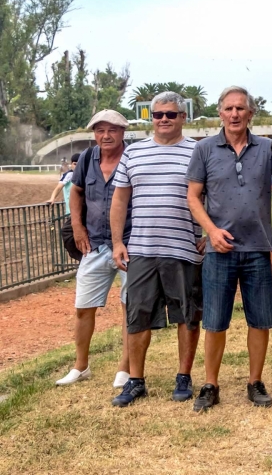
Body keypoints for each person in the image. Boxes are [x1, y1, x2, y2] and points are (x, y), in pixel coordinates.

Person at [186, 86, 272, 412]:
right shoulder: (205, 150)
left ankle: (255, 382)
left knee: (260, 320)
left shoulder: (268, 148)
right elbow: (193, 197)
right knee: (214, 321)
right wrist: (211, 232)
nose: (235, 114)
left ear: (250, 113)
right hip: (219, 251)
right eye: (229, 108)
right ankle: (211, 384)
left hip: (257, 248)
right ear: (220, 113)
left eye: (241, 108)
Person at [109, 91, 206, 407]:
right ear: (151, 118)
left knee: (187, 314)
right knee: (137, 315)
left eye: (171, 114)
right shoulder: (133, 154)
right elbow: (120, 199)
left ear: (183, 117)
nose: (164, 119)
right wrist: (117, 242)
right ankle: (136, 380)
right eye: (158, 115)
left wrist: (210, 232)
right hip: (142, 249)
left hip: (185, 247)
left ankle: (184, 376)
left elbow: (214, 195)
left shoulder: (199, 152)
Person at [55, 111, 133, 388]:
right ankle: (80, 366)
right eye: (100, 130)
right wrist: (77, 227)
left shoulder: (133, 157)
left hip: (129, 243)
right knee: (83, 307)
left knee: (129, 307)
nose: (106, 135)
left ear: (123, 131)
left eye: (112, 130)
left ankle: (125, 367)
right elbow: (76, 191)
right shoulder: (88, 158)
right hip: (95, 245)